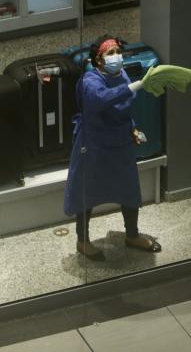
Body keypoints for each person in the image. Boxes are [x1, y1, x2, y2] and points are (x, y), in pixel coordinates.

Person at [64, 36, 162, 261]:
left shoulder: (122, 75)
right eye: (110, 53)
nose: (116, 56)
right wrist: (136, 85)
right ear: (97, 60)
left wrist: (133, 129)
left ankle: (132, 235)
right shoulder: (90, 80)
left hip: (119, 142)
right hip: (94, 144)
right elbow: (102, 100)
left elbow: (123, 110)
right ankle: (82, 241)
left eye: (118, 51)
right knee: (86, 193)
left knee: (128, 188)